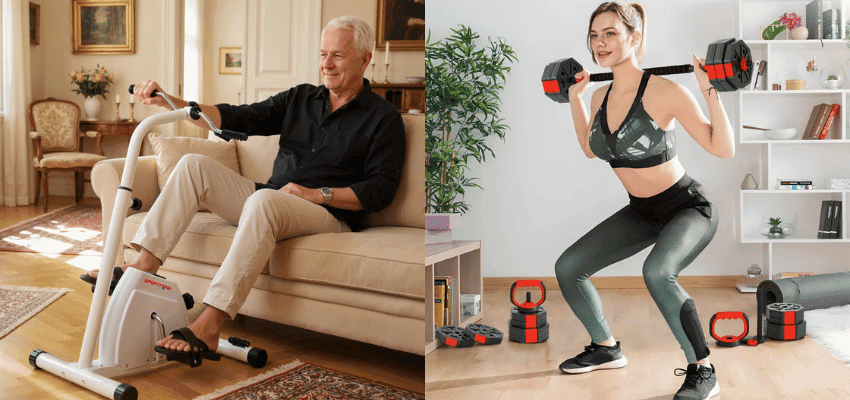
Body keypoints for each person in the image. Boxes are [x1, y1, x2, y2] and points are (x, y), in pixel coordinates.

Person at [83, 16, 406, 366]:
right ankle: (141, 266)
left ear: (364, 59)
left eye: (338, 56)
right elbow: (236, 116)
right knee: (193, 165)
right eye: (323, 54)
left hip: (328, 214)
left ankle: (210, 323)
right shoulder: (301, 98)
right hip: (271, 200)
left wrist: (316, 194)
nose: (326, 64)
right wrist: (168, 102)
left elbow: (380, 191)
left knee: (266, 199)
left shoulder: (384, 118)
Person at [553, 2, 733, 399]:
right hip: (643, 211)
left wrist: (709, 88)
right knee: (569, 267)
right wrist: (576, 98)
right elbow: (589, 148)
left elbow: (723, 148)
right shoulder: (599, 95)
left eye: (611, 33)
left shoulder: (666, 90)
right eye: (595, 35)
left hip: (688, 208)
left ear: (634, 38)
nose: (601, 43)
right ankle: (605, 348)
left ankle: (703, 369)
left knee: (657, 272)